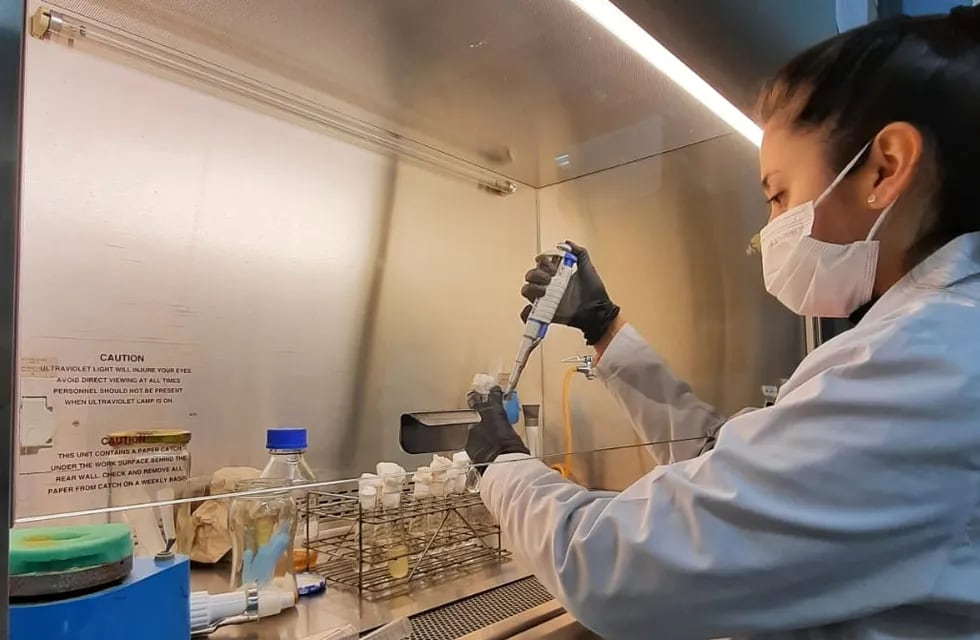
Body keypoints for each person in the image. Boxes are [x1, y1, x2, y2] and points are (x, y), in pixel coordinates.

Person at [464, 6, 980, 639]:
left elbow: (616, 569)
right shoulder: (936, 340)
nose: (769, 232)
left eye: (778, 194)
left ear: (885, 166)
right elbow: (731, 472)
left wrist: (502, 466)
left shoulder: (927, 364)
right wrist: (605, 328)